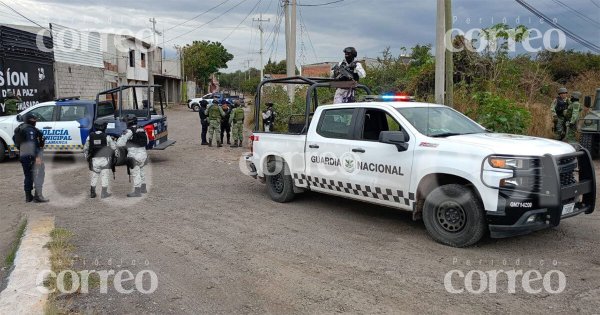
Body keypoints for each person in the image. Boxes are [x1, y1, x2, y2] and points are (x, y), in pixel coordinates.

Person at [14, 112, 48, 202]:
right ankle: (38, 196)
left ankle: (28, 197)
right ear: (29, 120)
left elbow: (16, 141)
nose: (35, 121)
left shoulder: (20, 128)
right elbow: (31, 145)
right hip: (31, 156)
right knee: (40, 173)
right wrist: (37, 157)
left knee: (28, 175)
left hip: (24, 155)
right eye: (34, 119)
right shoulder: (30, 130)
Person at [117, 114, 148, 197]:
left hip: (134, 154)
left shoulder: (129, 131)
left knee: (135, 172)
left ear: (129, 122)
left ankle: (137, 191)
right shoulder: (141, 128)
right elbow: (147, 141)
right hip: (143, 153)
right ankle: (143, 188)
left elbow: (120, 143)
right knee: (141, 170)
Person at [84, 121, 117, 198]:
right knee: (105, 176)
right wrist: (115, 157)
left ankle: (92, 192)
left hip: (95, 160)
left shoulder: (90, 136)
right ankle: (104, 193)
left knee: (95, 175)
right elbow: (114, 148)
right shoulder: (107, 137)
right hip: (105, 160)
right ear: (104, 127)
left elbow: (85, 148)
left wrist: (87, 158)